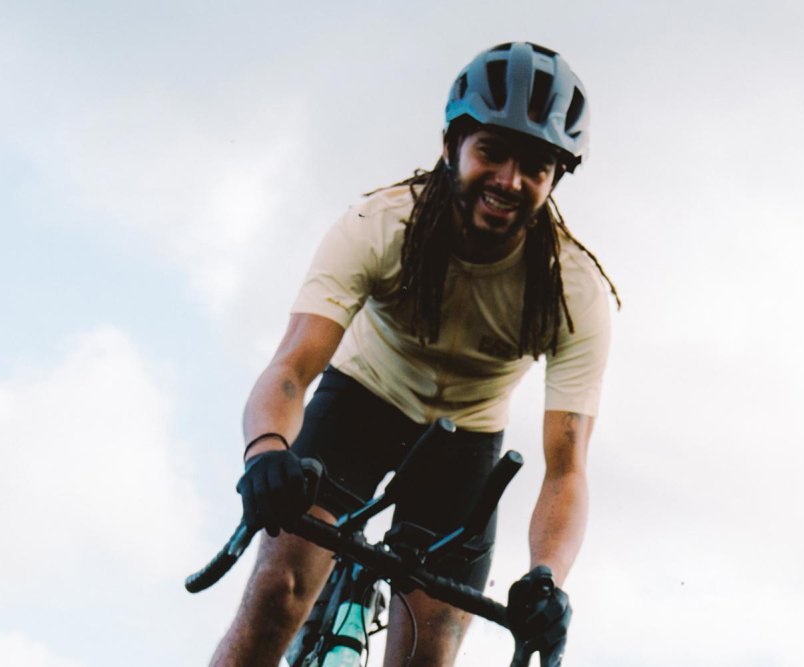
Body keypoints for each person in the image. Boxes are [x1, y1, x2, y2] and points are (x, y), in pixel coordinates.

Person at [208, 42, 617, 667]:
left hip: (464, 449)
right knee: (277, 593)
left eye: (535, 165)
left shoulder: (573, 290)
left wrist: (547, 577)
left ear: (556, 176)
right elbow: (292, 367)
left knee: (429, 654)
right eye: (492, 152)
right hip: (359, 408)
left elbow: (567, 468)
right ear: (453, 145)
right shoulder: (381, 224)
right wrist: (266, 450)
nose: (510, 180)